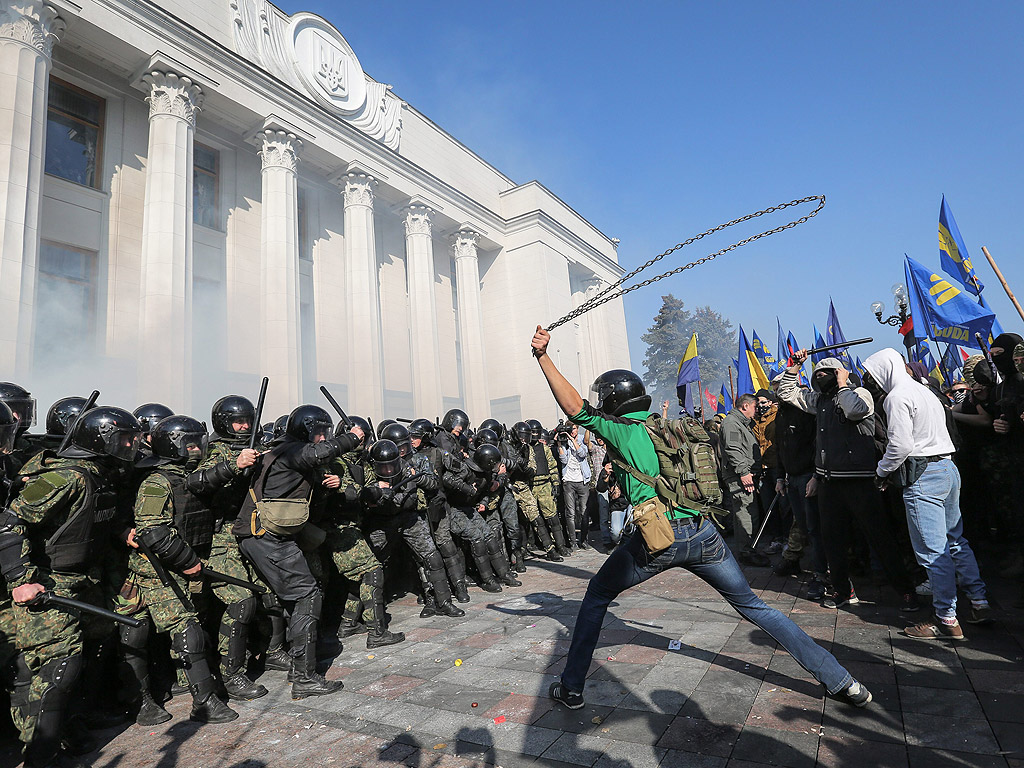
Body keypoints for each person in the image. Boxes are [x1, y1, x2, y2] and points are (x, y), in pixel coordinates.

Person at [529, 326, 873, 712]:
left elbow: (574, 407)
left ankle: (572, 687)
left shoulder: (621, 430)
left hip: (657, 538)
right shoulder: (671, 425)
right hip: (703, 532)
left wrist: (543, 356)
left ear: (611, 401)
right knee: (754, 606)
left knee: (596, 596)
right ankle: (843, 681)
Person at [0, 406, 144, 767]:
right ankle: (40, 755)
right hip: (49, 582)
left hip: (84, 578)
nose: (131, 445)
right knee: (58, 668)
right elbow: (9, 521)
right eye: (124, 439)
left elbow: (86, 520)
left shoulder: (100, 473)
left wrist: (121, 531)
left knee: (97, 645)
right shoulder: (67, 477)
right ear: (102, 440)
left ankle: (72, 726)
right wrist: (20, 578)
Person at [233, 405, 363, 700]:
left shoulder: (279, 449)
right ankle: (304, 677)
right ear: (305, 430)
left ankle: (297, 664)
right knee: (307, 595)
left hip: (267, 533)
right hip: (267, 535)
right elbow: (317, 455)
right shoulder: (292, 451)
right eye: (319, 432)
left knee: (294, 596)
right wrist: (351, 438)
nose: (322, 438)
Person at [863, 349, 990, 641]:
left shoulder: (897, 397)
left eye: (874, 373)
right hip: (947, 468)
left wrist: (882, 472)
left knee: (933, 552)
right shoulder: (925, 391)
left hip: (923, 476)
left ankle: (945, 618)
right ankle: (979, 602)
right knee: (955, 540)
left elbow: (900, 445)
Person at [779, 351, 919, 612]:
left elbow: (855, 411)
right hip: (829, 482)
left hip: (861, 481)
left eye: (826, 373)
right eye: (816, 374)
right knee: (833, 540)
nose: (820, 377)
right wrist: (795, 366)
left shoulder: (859, 393)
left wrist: (843, 385)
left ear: (839, 374)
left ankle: (906, 591)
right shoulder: (818, 400)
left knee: (880, 537)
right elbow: (787, 393)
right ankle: (843, 592)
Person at [719, 394, 769, 566]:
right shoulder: (732, 423)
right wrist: (743, 472)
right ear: (745, 406)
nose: (756, 411)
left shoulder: (741, 423)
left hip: (744, 475)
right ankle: (746, 552)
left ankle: (749, 548)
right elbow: (732, 449)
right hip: (740, 476)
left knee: (748, 512)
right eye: (755, 407)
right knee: (746, 513)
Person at [557, 424, 590, 551]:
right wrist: (560, 445)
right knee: (570, 513)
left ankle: (584, 540)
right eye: (570, 429)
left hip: (582, 480)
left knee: (584, 512)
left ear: (577, 429)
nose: (572, 431)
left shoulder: (582, 439)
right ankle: (573, 542)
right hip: (569, 481)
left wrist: (572, 440)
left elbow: (582, 454)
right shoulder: (563, 441)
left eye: (574, 429)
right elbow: (563, 460)